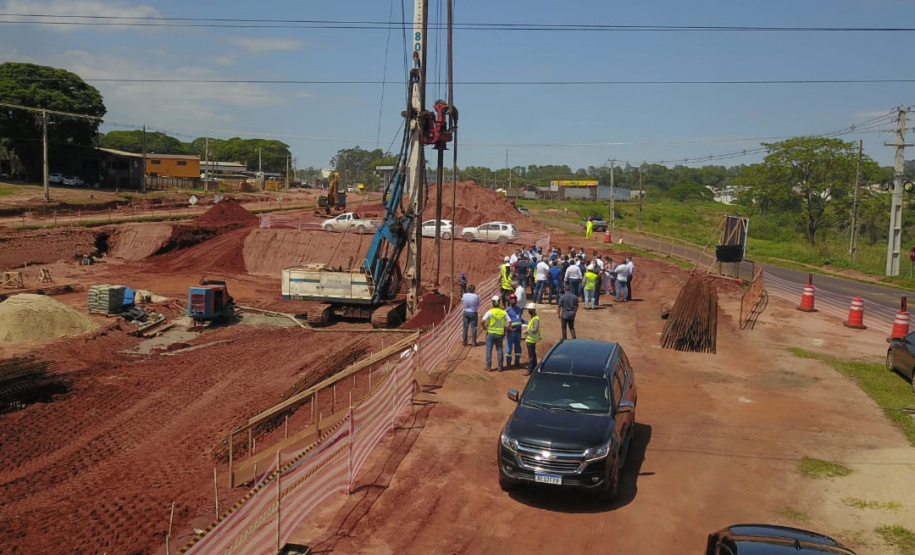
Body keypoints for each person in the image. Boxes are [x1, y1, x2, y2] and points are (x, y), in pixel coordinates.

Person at [482, 295, 508, 371]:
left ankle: (489, 366)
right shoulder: (503, 312)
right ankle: (500, 366)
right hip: (500, 334)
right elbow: (509, 322)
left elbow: (482, 321)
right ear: (499, 302)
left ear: (493, 303)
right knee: (499, 349)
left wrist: (484, 327)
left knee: (489, 349)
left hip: (490, 333)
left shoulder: (490, 312)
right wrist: (505, 331)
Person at [505, 294, 525, 368]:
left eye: (514, 299)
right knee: (509, 348)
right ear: (509, 300)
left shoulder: (520, 309)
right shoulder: (507, 310)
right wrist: (507, 328)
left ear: (516, 300)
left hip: (518, 332)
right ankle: (508, 363)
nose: (513, 300)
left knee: (518, 347)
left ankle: (517, 362)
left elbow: (520, 319)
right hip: (511, 332)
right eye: (511, 299)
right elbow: (504, 320)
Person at [523, 302, 541, 376]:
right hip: (531, 339)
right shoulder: (533, 318)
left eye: (530, 310)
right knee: (533, 355)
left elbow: (535, 329)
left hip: (531, 340)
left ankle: (530, 370)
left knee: (531, 356)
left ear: (534, 310)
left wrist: (527, 331)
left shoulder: (535, 319)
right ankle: (535, 368)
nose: (529, 311)